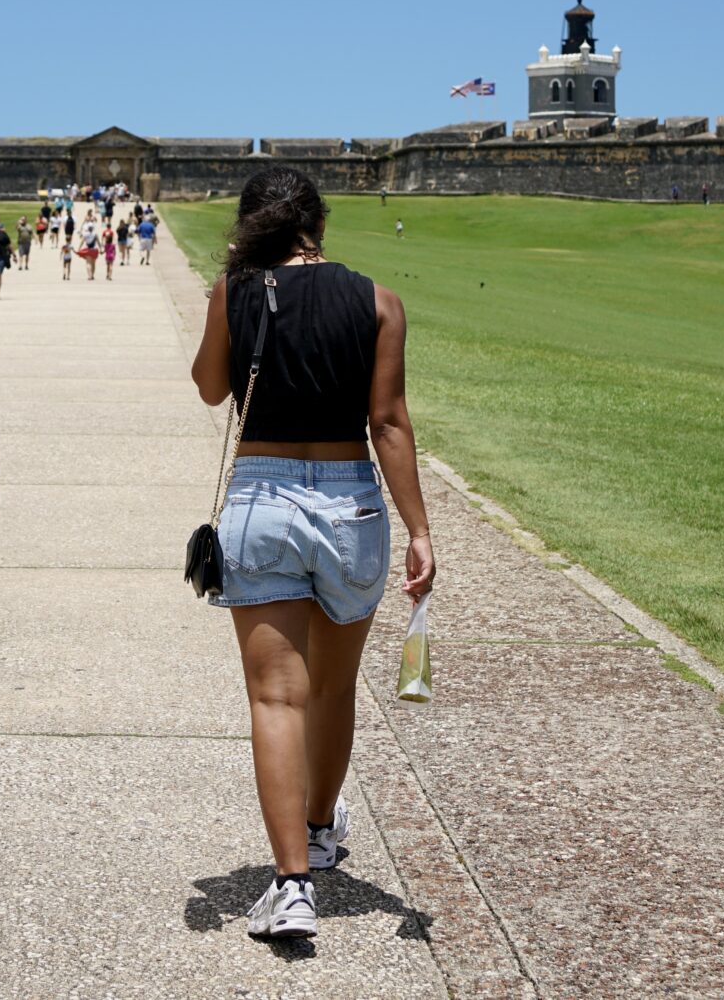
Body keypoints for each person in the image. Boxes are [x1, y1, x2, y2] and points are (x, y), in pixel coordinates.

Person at [192, 167, 435, 942]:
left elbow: (206, 388)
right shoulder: (378, 301)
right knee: (332, 691)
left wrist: (232, 304)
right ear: (318, 223)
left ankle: (291, 884)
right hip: (351, 501)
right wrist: (421, 529)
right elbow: (388, 422)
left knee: (276, 699)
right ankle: (323, 830)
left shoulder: (236, 291)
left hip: (262, 498)